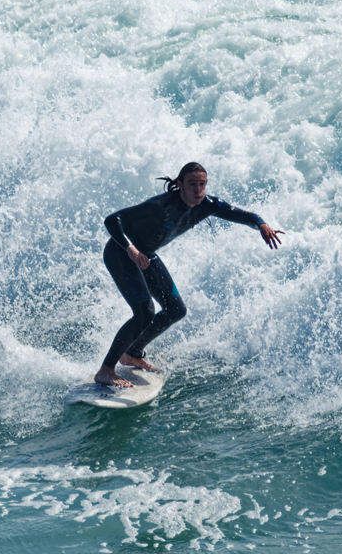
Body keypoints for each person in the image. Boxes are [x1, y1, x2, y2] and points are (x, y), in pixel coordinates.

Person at [94, 162, 283, 387]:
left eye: (202, 184)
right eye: (192, 184)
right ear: (180, 185)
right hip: (120, 253)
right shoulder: (159, 206)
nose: (198, 190)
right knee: (144, 312)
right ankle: (106, 370)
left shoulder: (207, 205)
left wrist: (261, 225)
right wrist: (131, 250)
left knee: (176, 309)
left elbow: (244, 215)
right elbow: (112, 220)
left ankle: (132, 353)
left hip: (146, 254)